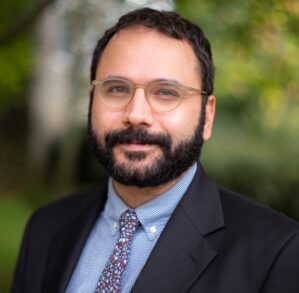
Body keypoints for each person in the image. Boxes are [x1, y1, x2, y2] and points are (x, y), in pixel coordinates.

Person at [11, 7, 299, 293]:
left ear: (206, 117)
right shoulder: (45, 228)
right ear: (91, 102)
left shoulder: (276, 254)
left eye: (165, 93)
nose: (136, 114)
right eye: (117, 89)